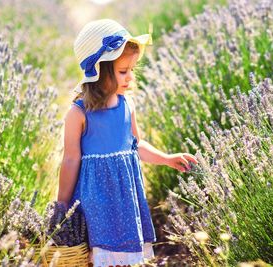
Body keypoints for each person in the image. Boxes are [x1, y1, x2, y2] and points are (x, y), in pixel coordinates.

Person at [57, 19, 198, 267]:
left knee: (121, 258)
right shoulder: (78, 114)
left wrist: (166, 158)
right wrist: (61, 205)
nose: (131, 77)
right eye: (123, 71)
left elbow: (136, 145)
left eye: (133, 69)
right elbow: (70, 159)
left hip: (125, 198)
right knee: (98, 254)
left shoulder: (126, 105)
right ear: (98, 71)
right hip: (95, 200)